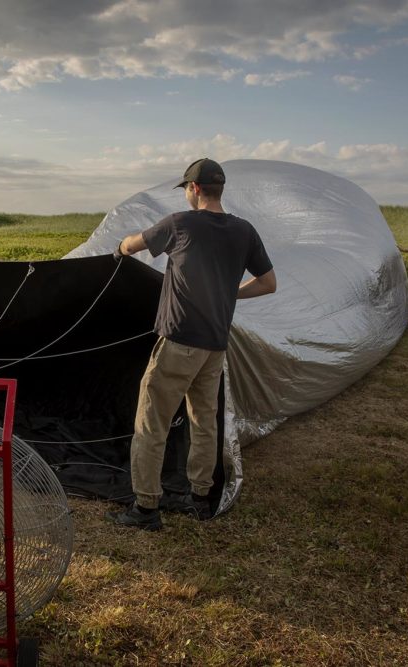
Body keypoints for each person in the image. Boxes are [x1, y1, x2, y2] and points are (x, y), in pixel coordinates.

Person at [106, 158, 277, 531]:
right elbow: (268, 283)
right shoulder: (244, 231)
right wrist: (230, 293)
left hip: (179, 342)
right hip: (215, 346)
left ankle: (146, 508)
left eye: (186, 188)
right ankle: (201, 497)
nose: (186, 193)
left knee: (152, 423)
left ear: (195, 189)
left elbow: (134, 244)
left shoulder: (180, 224)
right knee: (204, 420)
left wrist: (119, 246)